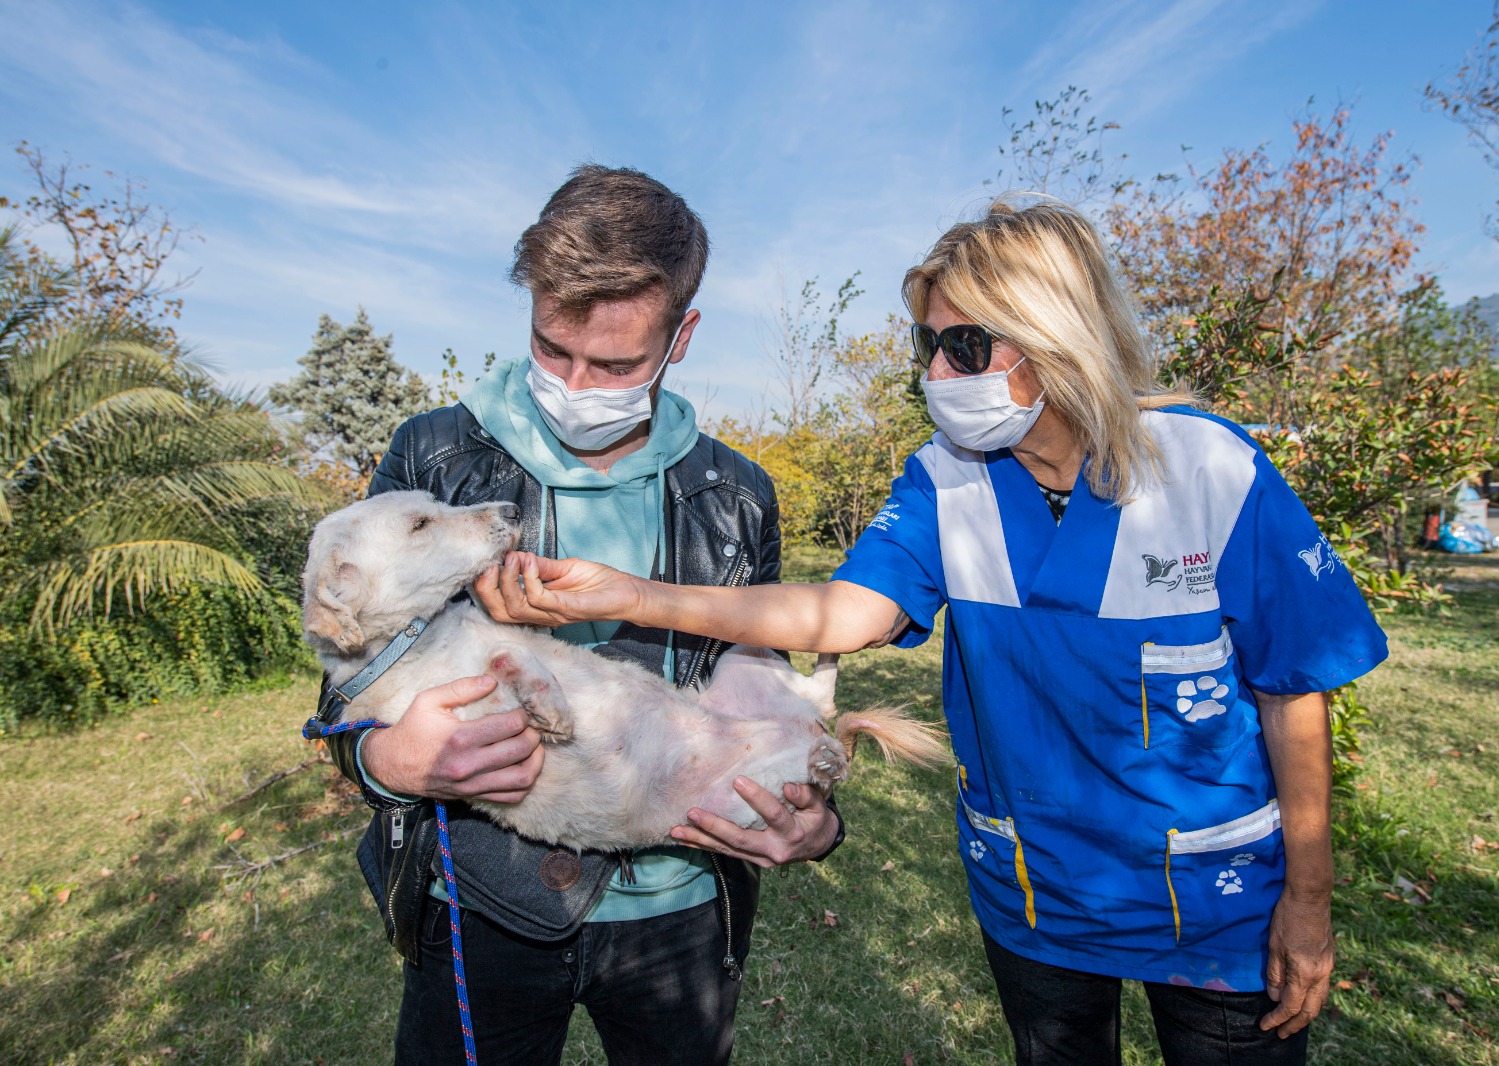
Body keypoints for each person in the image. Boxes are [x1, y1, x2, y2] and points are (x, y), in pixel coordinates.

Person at [478, 199, 1390, 1065]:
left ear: (1057, 337)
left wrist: (1308, 902)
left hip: (1215, 901)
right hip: (1036, 896)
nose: (937, 376)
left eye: (965, 345)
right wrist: (634, 595)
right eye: (930, 345)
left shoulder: (1211, 470)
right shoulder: (947, 480)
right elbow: (840, 614)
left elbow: (1292, 687)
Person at [316, 165, 844, 1066]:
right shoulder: (433, 460)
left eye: (615, 365)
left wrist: (819, 818)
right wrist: (388, 761)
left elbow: (763, 686)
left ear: (682, 336)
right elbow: (344, 689)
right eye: (552, 348)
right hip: (482, 905)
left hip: (682, 906)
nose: (574, 382)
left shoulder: (739, 493)